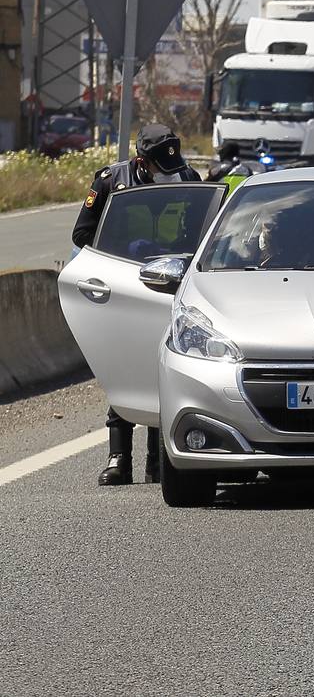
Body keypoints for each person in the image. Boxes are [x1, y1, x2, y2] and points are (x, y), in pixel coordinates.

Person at [71, 123, 201, 486]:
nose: (168, 173)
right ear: (142, 161)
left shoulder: (187, 176)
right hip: (126, 283)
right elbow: (82, 234)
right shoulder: (112, 181)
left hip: (173, 285)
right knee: (125, 366)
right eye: (161, 167)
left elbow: (203, 230)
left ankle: (157, 460)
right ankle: (119, 457)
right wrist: (126, 253)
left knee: (166, 369)